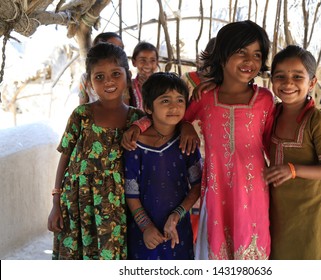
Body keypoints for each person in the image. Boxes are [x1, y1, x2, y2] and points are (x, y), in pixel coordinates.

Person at [182, 20, 275, 260]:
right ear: (222, 55)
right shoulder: (204, 97)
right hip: (216, 192)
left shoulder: (265, 99)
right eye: (241, 52)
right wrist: (185, 126)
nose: (250, 61)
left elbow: (274, 144)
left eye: (257, 54)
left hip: (254, 193)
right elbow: (175, 120)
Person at [47, 43, 145, 260]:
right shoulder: (81, 115)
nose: (108, 81)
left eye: (115, 74)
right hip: (76, 203)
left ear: (127, 77)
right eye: (99, 77)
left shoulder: (138, 120)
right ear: (89, 82)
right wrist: (56, 202)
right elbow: (65, 156)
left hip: (114, 205)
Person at [263, 45, 321, 260]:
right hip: (276, 210)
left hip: (309, 213)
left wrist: (292, 169)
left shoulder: (317, 121)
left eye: (297, 76)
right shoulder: (271, 114)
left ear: (312, 82)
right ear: (271, 80)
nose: (288, 83)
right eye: (280, 76)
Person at [123, 72, 202, 260]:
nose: (174, 106)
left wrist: (176, 215)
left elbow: (198, 185)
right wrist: (146, 227)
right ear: (148, 107)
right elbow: (131, 193)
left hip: (178, 229)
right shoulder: (135, 145)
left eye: (180, 100)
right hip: (144, 233)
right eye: (165, 101)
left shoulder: (187, 143)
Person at [180, 37, 216, 244]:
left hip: (214, 158)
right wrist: (185, 124)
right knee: (190, 203)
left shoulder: (228, 88)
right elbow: (176, 112)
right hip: (188, 151)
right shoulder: (188, 81)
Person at [78, 32, 131, 105]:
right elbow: (82, 105)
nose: (109, 81)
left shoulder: (121, 77)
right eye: (99, 77)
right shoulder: (85, 78)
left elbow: (126, 105)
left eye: (120, 48)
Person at [130, 41, 159, 109]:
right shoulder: (129, 86)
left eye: (152, 60)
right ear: (134, 62)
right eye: (143, 60)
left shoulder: (163, 85)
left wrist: (147, 89)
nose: (147, 65)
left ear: (157, 62)